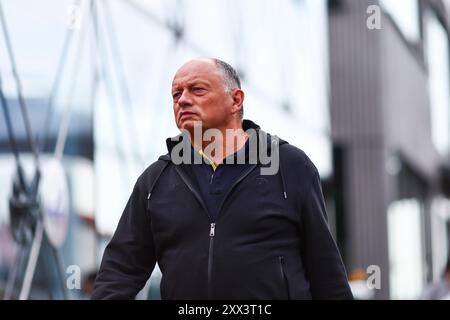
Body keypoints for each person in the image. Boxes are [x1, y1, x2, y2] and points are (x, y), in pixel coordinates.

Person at [91, 58, 353, 300]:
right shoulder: (155, 181)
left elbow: (326, 273)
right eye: (176, 94)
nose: (182, 100)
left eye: (197, 90)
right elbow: (120, 271)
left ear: (236, 100)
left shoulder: (290, 166)